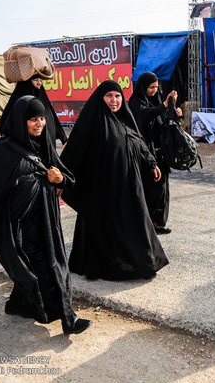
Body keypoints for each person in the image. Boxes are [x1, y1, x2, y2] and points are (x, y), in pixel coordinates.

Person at [0, 95, 91, 334]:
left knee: (52, 267)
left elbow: (69, 178)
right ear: (20, 121)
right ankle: (62, 316)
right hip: (17, 226)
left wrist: (60, 179)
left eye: (42, 118)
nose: (39, 124)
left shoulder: (43, 145)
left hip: (45, 220)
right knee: (40, 269)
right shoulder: (3, 153)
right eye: (32, 119)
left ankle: (56, 315)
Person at [60, 80, 169, 281]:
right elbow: (74, 152)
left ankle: (144, 262)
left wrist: (151, 163)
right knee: (109, 228)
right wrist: (62, 180)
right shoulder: (93, 123)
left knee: (136, 222)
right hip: (104, 189)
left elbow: (138, 141)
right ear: (101, 98)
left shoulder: (125, 119)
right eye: (109, 95)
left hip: (130, 184)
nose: (114, 100)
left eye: (117, 96)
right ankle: (119, 266)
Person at [129, 72, 183, 235]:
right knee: (149, 189)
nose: (153, 90)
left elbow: (164, 122)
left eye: (156, 87)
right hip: (144, 152)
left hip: (160, 152)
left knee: (162, 189)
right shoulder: (135, 102)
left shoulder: (157, 101)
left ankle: (158, 222)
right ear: (143, 86)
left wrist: (175, 112)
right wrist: (165, 105)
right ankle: (144, 223)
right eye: (151, 87)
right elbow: (146, 115)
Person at [0, 75, 67, 147]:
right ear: (26, 83)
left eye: (40, 80)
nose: (39, 83)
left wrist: (63, 138)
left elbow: (52, 116)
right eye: (35, 80)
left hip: (47, 146)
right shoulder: (17, 103)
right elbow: (5, 124)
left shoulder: (42, 97)